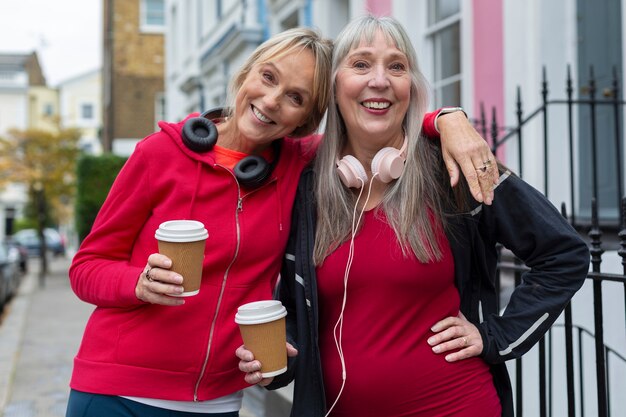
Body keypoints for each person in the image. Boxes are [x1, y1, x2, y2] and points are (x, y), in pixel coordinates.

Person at [65, 24, 496, 417]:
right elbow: (86, 268)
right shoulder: (158, 155)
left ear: (304, 121)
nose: (271, 101)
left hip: (217, 400)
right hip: (118, 392)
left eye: (295, 98)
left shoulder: (301, 166)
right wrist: (136, 283)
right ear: (245, 74)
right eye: (268, 77)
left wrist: (445, 119)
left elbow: (374, 121)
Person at [236, 16, 590, 417]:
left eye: (397, 66)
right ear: (334, 87)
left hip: (456, 405)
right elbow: (298, 319)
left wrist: (498, 337)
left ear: (411, 87)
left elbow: (564, 254)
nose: (381, 80)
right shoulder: (306, 184)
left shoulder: (454, 167)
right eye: (361, 64)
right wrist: (278, 363)